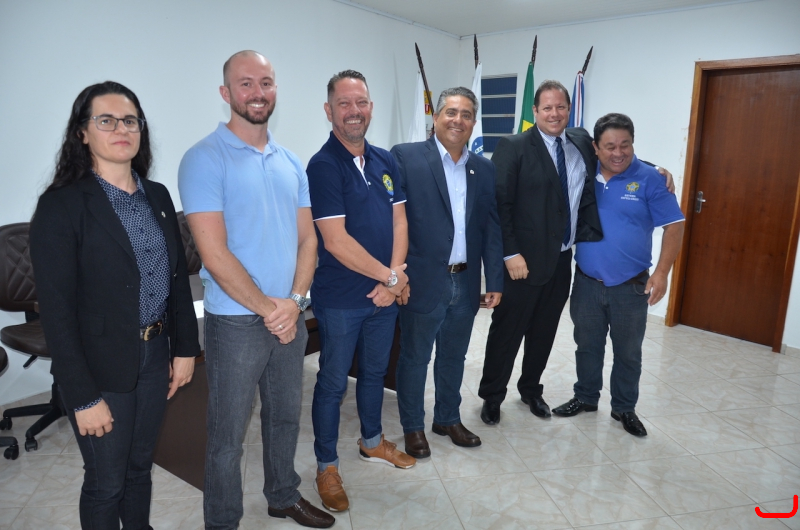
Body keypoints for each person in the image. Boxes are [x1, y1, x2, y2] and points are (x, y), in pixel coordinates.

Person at [29, 81, 200, 529]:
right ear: (82, 132)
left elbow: (176, 280)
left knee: (140, 469)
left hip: (154, 355)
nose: (121, 129)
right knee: (106, 481)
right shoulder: (61, 205)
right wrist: (82, 397)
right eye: (105, 120)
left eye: (130, 121)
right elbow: (57, 314)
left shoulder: (157, 195)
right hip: (99, 365)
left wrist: (185, 349)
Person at [178, 51, 332, 529]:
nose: (257, 92)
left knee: (285, 417)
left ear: (275, 90)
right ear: (226, 93)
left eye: (265, 82)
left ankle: (283, 495)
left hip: (289, 314)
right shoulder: (204, 158)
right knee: (227, 437)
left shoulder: (291, 162)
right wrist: (272, 309)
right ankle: (223, 521)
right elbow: (214, 253)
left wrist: (296, 303)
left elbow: (309, 240)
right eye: (245, 83)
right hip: (236, 322)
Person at [479, 80, 673, 425]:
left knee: (543, 331)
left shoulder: (580, 140)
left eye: (561, 107)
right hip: (522, 262)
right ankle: (492, 396)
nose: (554, 114)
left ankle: (530, 390)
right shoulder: (513, 146)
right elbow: (500, 205)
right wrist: (510, 254)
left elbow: (615, 155)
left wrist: (657, 168)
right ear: (535, 111)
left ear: (569, 110)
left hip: (561, 260)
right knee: (507, 331)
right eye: (547, 108)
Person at [307, 69, 415, 513]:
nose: (354, 111)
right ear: (329, 110)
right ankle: (326, 466)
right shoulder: (323, 166)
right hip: (341, 300)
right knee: (333, 383)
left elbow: (400, 222)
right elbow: (335, 241)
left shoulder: (385, 159)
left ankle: (372, 441)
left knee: (373, 373)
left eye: (361, 102)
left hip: (384, 296)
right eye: (344, 103)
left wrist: (394, 278)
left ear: (371, 107)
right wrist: (391, 279)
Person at [552, 113, 684, 437]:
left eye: (625, 145)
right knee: (587, 346)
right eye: (610, 146)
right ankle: (585, 397)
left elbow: (675, 226)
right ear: (596, 148)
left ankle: (624, 407)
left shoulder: (652, 179)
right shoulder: (584, 175)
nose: (618, 153)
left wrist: (662, 273)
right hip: (586, 283)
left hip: (631, 286)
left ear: (633, 145)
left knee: (628, 352)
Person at [390, 87, 503, 458]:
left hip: (465, 282)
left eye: (467, 114)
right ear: (436, 117)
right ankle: (412, 426)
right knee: (415, 358)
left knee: (454, 357)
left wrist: (494, 280)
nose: (459, 120)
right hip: (421, 281)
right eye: (451, 112)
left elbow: (490, 227)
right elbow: (393, 221)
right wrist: (396, 275)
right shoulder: (406, 157)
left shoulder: (484, 168)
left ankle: (447, 419)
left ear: (474, 122)